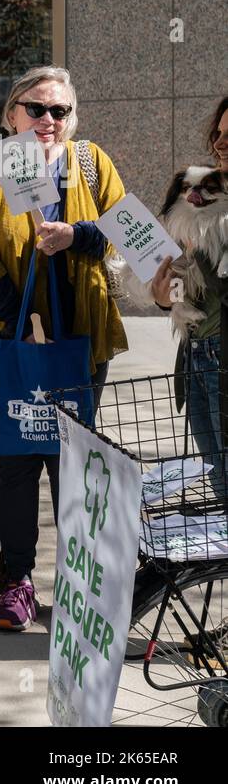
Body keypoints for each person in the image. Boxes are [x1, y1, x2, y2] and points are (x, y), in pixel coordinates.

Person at [0, 65, 127, 632]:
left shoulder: (91, 162)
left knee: (71, 461)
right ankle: (19, 583)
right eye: (36, 109)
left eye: (59, 111)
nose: (48, 120)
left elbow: (126, 232)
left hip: (81, 337)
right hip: (7, 340)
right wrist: (14, 315)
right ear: (12, 115)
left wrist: (75, 234)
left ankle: (78, 587)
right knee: (19, 457)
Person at [151, 95, 228, 497]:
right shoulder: (205, 196)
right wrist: (166, 294)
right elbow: (183, 287)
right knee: (217, 474)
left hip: (223, 357)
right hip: (197, 353)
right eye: (218, 134)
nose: (220, 144)